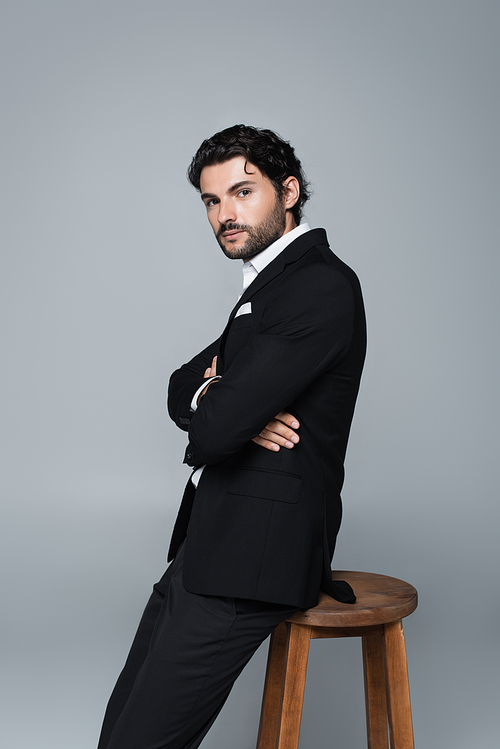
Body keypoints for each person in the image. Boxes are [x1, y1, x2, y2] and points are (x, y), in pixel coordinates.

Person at [97, 124, 366, 749]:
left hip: (255, 557)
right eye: (212, 201)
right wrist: (225, 400)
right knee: (121, 729)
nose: (225, 215)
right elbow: (180, 385)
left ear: (289, 191)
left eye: (242, 193)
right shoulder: (270, 285)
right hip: (212, 541)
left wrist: (227, 409)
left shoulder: (318, 285)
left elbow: (216, 432)